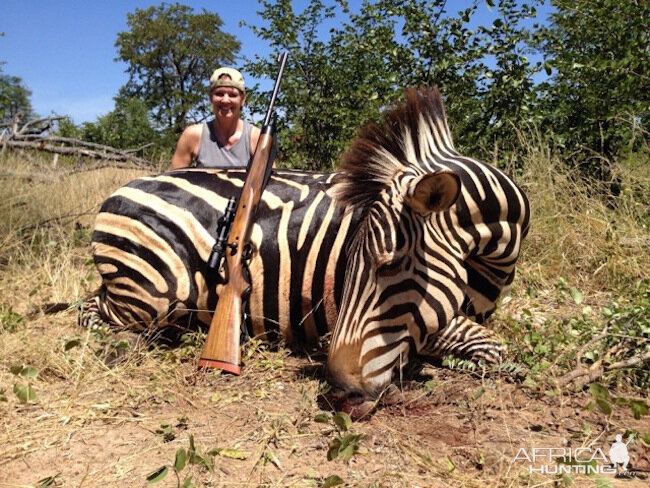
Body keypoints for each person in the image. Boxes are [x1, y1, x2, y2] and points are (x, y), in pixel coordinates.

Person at [171, 67, 260, 169]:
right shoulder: (193, 135)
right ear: (210, 97)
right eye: (219, 94)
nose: (225, 100)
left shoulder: (257, 138)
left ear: (243, 99)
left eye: (232, 95)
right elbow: (174, 179)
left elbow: (272, 182)